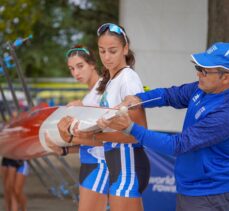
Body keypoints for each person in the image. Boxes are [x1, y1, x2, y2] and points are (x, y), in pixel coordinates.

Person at [97, 42, 229, 211]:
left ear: (225, 77)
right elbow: (169, 95)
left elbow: (178, 145)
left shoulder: (224, 113)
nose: (198, 74)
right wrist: (139, 98)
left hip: (210, 194)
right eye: (198, 67)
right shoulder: (202, 88)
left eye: (204, 70)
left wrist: (130, 128)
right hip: (191, 189)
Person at [60, 23, 150, 211]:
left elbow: (138, 133)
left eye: (112, 51)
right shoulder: (111, 81)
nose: (106, 57)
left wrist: (86, 136)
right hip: (118, 167)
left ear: (125, 49)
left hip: (128, 167)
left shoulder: (128, 78)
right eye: (102, 51)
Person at [45, 45, 109, 211]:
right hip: (89, 163)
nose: (75, 73)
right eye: (72, 69)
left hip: (100, 164)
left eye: (80, 66)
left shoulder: (103, 92)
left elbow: (108, 138)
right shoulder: (89, 96)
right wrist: (64, 149)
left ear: (92, 64)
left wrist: (71, 135)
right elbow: (88, 141)